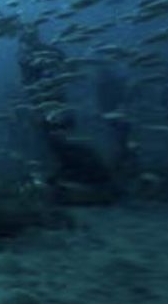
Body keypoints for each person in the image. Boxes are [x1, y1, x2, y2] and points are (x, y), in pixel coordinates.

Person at [17, 24, 115, 202]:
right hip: (48, 106)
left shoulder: (42, 54)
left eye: (26, 37)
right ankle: (75, 172)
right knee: (55, 142)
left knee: (61, 141)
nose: (24, 41)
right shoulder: (32, 56)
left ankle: (93, 174)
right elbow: (32, 82)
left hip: (55, 106)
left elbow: (60, 74)